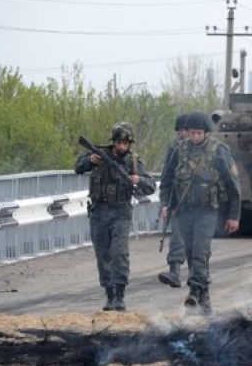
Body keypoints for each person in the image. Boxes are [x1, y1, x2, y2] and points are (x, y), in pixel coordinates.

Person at [159, 111, 241, 315]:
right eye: (192, 132)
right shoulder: (179, 150)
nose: (195, 137)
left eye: (199, 133)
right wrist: (165, 204)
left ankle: (194, 291)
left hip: (208, 210)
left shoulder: (219, 150)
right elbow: (167, 181)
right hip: (185, 210)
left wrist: (234, 216)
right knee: (189, 252)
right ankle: (205, 303)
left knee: (200, 251)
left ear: (206, 132)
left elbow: (233, 185)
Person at [74, 122, 156, 311]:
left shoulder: (133, 161)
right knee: (103, 254)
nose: (122, 147)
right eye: (119, 143)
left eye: (126, 143)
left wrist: (138, 179)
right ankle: (109, 295)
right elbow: (77, 167)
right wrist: (90, 162)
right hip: (99, 212)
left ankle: (119, 295)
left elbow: (150, 186)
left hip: (121, 212)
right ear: (114, 142)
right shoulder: (99, 154)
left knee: (119, 253)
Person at [158, 113, 189, 288]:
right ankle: (175, 272)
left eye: (185, 129)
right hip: (178, 203)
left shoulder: (207, 149)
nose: (182, 133)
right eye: (180, 130)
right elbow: (166, 179)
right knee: (177, 238)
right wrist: (164, 204)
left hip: (201, 206)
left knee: (198, 244)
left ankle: (199, 277)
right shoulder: (174, 150)